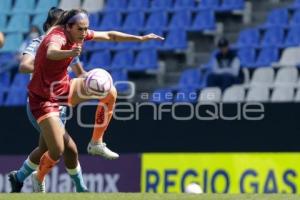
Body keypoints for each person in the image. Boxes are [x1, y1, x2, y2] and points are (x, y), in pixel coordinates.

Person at [27, 8, 164, 192]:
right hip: (44, 98)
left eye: (86, 29)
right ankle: (35, 177)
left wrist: (139, 39)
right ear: (68, 27)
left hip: (63, 89)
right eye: (80, 29)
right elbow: (52, 52)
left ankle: (96, 143)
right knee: (57, 149)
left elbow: (109, 35)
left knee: (110, 93)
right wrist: (69, 53)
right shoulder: (56, 37)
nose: (84, 33)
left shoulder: (75, 34)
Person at [8, 7, 88, 193]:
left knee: (47, 148)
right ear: (49, 26)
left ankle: (18, 177)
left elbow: (80, 73)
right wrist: (47, 62)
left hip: (61, 105)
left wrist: (91, 79)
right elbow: (24, 66)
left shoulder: (68, 44)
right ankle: (81, 189)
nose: (64, 30)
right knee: (68, 148)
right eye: (60, 25)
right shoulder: (38, 43)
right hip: (42, 104)